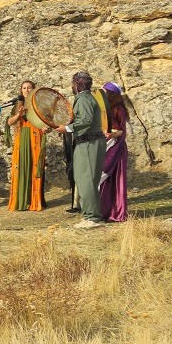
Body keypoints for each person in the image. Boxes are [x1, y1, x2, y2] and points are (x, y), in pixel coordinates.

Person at [57, 71, 107, 228]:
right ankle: (88, 215)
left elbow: (85, 120)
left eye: (73, 84)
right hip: (84, 143)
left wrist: (67, 128)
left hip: (89, 143)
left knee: (87, 180)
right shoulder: (84, 98)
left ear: (76, 85)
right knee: (83, 179)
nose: (72, 86)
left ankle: (92, 218)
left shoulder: (84, 99)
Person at [7, 80, 46, 211]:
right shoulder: (18, 104)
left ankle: (35, 201)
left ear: (34, 89)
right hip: (21, 136)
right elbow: (9, 122)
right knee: (21, 166)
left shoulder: (38, 104)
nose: (26, 90)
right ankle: (21, 201)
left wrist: (47, 128)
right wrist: (18, 114)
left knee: (35, 167)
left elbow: (48, 121)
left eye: (29, 88)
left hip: (35, 136)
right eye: (24, 88)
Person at [98, 82, 129, 223]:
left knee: (116, 179)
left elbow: (122, 130)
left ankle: (117, 213)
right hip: (106, 144)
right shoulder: (105, 108)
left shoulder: (118, 108)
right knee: (106, 180)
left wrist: (112, 135)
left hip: (117, 147)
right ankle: (104, 211)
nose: (103, 93)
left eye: (105, 90)